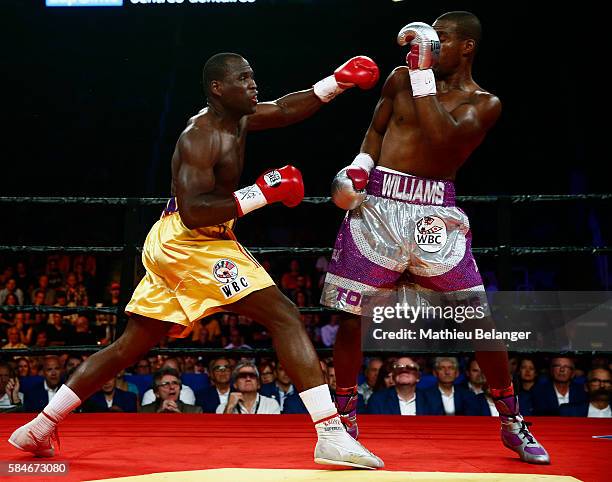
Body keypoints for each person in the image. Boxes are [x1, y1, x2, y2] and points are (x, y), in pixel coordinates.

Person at [9, 51, 382, 469]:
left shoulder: (237, 119)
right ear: (217, 89)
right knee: (284, 315)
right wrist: (263, 193)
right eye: (243, 79)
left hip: (189, 239)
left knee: (130, 345)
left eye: (252, 77)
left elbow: (284, 109)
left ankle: (39, 426)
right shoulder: (199, 135)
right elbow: (194, 211)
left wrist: (338, 82)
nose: (253, 85)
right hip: (189, 240)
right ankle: (330, 433)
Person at [321, 11, 549, 464]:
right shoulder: (400, 78)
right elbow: (377, 131)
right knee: (348, 316)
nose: (434, 45)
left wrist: (423, 72)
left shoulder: (484, 102)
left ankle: (512, 423)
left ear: (467, 46)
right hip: (379, 206)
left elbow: (442, 138)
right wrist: (359, 168)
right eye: (432, 38)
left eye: (443, 39)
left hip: (434, 218)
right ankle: (344, 427)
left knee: (478, 319)